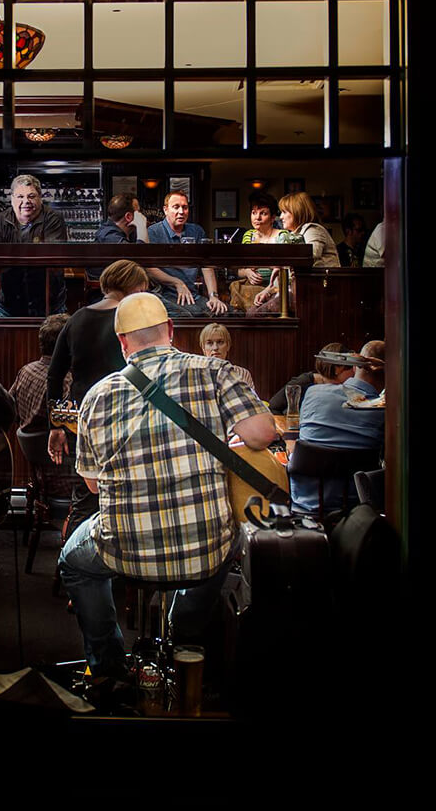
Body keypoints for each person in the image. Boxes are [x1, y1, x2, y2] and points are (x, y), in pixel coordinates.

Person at [58, 293, 275, 684]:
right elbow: (261, 433)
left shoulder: (97, 396)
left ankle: (110, 667)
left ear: (122, 342)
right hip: (203, 549)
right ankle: (181, 640)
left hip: (124, 548)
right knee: (223, 546)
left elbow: (92, 483)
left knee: (73, 562)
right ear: (172, 331)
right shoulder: (215, 372)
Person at [47, 259, 150, 531]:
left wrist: (55, 425)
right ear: (134, 286)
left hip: (80, 417)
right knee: (128, 495)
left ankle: (72, 566)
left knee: (84, 498)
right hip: (126, 417)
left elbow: (54, 375)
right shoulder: (134, 320)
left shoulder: (77, 318)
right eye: (143, 287)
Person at [291, 340, 385, 513]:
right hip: (357, 512)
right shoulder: (384, 413)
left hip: (305, 507)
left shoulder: (313, 393)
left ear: (355, 366)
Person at [0, 174, 69, 317]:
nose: (26, 201)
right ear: (12, 199)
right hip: (10, 303)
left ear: (40, 198)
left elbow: (51, 257)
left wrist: (10, 259)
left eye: (31, 196)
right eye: (20, 197)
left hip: (49, 303)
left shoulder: (53, 219)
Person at [146, 191, 227, 317]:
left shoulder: (196, 230)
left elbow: (206, 265)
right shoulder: (153, 232)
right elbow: (149, 268)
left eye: (185, 207)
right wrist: (177, 282)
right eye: (176, 207)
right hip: (165, 295)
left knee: (224, 313)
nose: (181, 212)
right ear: (165, 210)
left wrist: (213, 296)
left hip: (192, 294)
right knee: (191, 316)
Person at [228, 190, 291, 310]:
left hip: (275, 288)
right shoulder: (248, 235)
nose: (257, 217)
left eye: (263, 213)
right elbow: (239, 269)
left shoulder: (282, 235)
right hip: (250, 287)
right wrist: (247, 272)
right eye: (254, 213)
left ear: (273, 218)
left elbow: (285, 269)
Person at [9, 313, 71, 434]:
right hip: (54, 447)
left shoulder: (26, 370)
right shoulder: (65, 381)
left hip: (29, 446)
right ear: (66, 345)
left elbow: (9, 406)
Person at [269, 341, 354, 414]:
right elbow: (273, 406)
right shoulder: (304, 382)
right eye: (351, 367)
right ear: (337, 369)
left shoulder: (347, 389)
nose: (354, 372)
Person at [199, 322, 256, 393]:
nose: (215, 347)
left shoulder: (242, 373)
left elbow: (251, 402)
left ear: (228, 346)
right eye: (210, 343)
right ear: (203, 348)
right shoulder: (196, 375)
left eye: (220, 342)